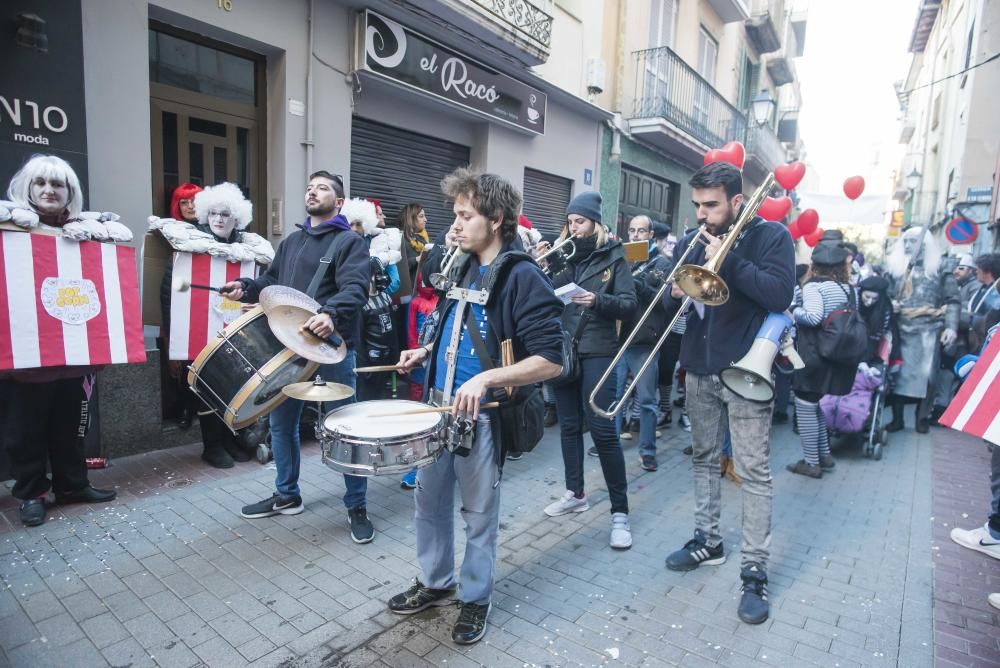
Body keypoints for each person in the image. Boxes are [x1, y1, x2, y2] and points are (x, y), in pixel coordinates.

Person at [386, 168, 562, 645]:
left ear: (497, 218)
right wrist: (424, 349)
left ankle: (476, 597)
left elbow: (551, 359)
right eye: (455, 215)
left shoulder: (523, 277)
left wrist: (487, 377)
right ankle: (435, 581)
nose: (456, 225)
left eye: (466, 216)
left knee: (479, 513)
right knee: (428, 505)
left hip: (481, 418)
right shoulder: (460, 264)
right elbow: (451, 319)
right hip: (437, 411)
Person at [662, 162, 795, 625]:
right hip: (698, 368)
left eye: (711, 205)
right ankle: (708, 540)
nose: (702, 214)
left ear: (737, 201)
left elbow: (779, 294)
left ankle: (754, 569)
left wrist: (730, 259)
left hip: (745, 372)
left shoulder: (770, 237)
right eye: (697, 205)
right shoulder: (693, 238)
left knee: (753, 471)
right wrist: (673, 292)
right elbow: (669, 299)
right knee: (702, 457)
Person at [221, 171, 376, 543]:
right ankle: (287, 495)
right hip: (288, 348)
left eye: (322, 188)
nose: (312, 191)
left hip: (330, 348)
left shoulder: (349, 243)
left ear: (338, 202)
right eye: (309, 186)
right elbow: (271, 284)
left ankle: (357, 504)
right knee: (281, 426)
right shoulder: (291, 242)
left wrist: (331, 313)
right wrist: (245, 288)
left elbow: (356, 288)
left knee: (345, 427)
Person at [1, 155, 119, 527]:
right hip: (27, 359)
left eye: (58, 185)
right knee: (26, 431)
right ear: (28, 189)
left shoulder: (86, 235)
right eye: (41, 184)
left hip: (74, 354)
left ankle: (72, 485)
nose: (49, 191)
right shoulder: (9, 232)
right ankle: (32, 493)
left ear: (70, 192)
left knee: (71, 428)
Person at [540, 191, 637, 550]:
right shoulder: (564, 256)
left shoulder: (615, 255)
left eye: (579, 221)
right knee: (568, 427)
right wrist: (542, 268)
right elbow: (546, 299)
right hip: (565, 349)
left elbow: (629, 304)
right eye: (570, 221)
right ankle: (575, 492)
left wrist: (597, 300)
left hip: (598, 349)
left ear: (595, 222)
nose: (573, 227)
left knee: (602, 430)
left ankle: (620, 512)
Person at [156, 182, 275, 467]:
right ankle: (212, 445)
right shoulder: (188, 249)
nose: (219, 219)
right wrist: (173, 337)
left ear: (238, 217)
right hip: (198, 331)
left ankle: (230, 439)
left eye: (225, 214)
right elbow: (170, 293)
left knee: (232, 387)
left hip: (234, 331)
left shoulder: (249, 251)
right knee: (207, 390)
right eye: (213, 214)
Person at [786, 242, 857, 478]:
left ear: (815, 265)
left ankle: (811, 462)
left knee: (805, 406)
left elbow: (813, 317)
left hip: (813, 355)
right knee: (815, 405)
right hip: (833, 355)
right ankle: (824, 455)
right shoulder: (847, 288)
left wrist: (793, 309)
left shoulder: (814, 287)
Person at [885, 227, 959, 433]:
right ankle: (897, 419)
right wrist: (891, 304)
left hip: (930, 331)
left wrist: (951, 327)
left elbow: (953, 300)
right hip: (901, 329)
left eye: (913, 241)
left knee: (928, 377)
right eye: (905, 241)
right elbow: (883, 295)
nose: (908, 245)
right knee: (898, 375)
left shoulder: (941, 268)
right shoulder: (894, 268)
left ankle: (922, 418)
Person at [617, 215, 672, 472]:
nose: (636, 235)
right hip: (619, 338)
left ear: (651, 234)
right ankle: (611, 444)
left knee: (648, 400)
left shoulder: (662, 262)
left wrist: (640, 286)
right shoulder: (622, 258)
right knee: (614, 398)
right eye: (632, 231)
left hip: (644, 340)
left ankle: (647, 451)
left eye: (641, 231)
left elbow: (664, 303)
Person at [165, 182, 203, 429]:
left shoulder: (214, 231)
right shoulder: (169, 232)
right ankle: (185, 410)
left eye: (194, 201)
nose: (189, 207)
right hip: (178, 299)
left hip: (203, 301)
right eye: (184, 202)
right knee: (183, 364)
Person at [400, 203, 430, 287]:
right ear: (411, 219)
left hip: (424, 289)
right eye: (421, 216)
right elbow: (399, 268)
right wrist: (416, 259)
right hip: (409, 290)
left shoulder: (423, 238)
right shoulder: (401, 239)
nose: (425, 219)